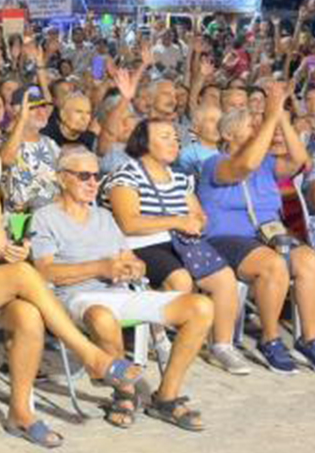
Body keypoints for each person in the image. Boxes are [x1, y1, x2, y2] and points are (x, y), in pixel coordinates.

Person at [0, 137, 143, 448]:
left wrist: (14, 251)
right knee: (22, 275)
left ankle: (20, 412)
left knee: (28, 314)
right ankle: (91, 355)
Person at [32, 147, 212, 430]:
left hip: (120, 292)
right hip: (76, 297)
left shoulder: (103, 216)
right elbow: (44, 272)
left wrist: (134, 267)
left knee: (201, 307)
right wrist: (99, 268)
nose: (93, 183)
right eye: (84, 176)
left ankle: (166, 397)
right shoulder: (45, 217)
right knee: (102, 317)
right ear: (62, 178)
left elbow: (129, 257)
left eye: (97, 176)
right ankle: (124, 393)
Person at [105, 120, 244, 374]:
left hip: (181, 243)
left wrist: (197, 221)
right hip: (140, 244)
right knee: (181, 280)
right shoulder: (126, 174)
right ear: (144, 143)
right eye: (165, 137)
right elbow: (129, 223)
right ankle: (160, 338)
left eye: (175, 138)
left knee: (225, 279)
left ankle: (222, 346)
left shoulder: (180, 177)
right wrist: (177, 221)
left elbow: (198, 214)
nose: (174, 143)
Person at [197, 83, 315, 373]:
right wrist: (271, 115)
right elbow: (245, 164)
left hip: (267, 237)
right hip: (227, 239)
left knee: (308, 260)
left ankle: (308, 339)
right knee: (273, 265)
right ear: (228, 134)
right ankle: (270, 339)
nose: (260, 129)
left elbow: (300, 159)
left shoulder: (267, 164)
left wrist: (280, 114)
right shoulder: (215, 163)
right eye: (252, 125)